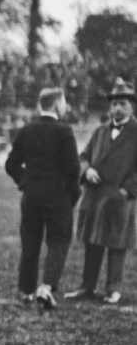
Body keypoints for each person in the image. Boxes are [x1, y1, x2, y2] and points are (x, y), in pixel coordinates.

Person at [4, 88, 81, 309]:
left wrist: (25, 182)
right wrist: (72, 196)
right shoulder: (64, 131)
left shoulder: (27, 130)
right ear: (58, 105)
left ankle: (27, 291)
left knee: (30, 243)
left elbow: (11, 165)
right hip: (58, 197)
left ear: (40, 105)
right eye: (64, 102)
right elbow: (73, 170)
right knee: (59, 241)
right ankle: (46, 287)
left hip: (31, 196)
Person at [65, 78, 137, 305]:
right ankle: (87, 286)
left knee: (117, 244)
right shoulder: (100, 131)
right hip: (95, 196)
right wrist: (86, 172)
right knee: (93, 242)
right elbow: (83, 157)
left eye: (123, 103)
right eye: (114, 103)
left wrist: (127, 191)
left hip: (119, 198)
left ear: (132, 106)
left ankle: (113, 288)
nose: (117, 108)